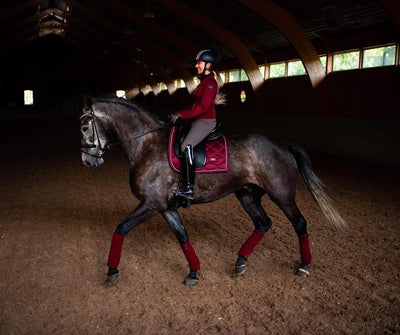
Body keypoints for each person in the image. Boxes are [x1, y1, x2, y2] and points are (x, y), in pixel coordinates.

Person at [171, 49, 218, 200]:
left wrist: (182, 116)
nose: (197, 66)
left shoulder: (210, 83)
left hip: (206, 121)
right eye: (197, 63)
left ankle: (189, 188)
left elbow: (203, 108)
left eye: (199, 63)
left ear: (208, 65)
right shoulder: (203, 82)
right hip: (197, 120)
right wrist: (178, 113)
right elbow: (193, 107)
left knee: (186, 146)